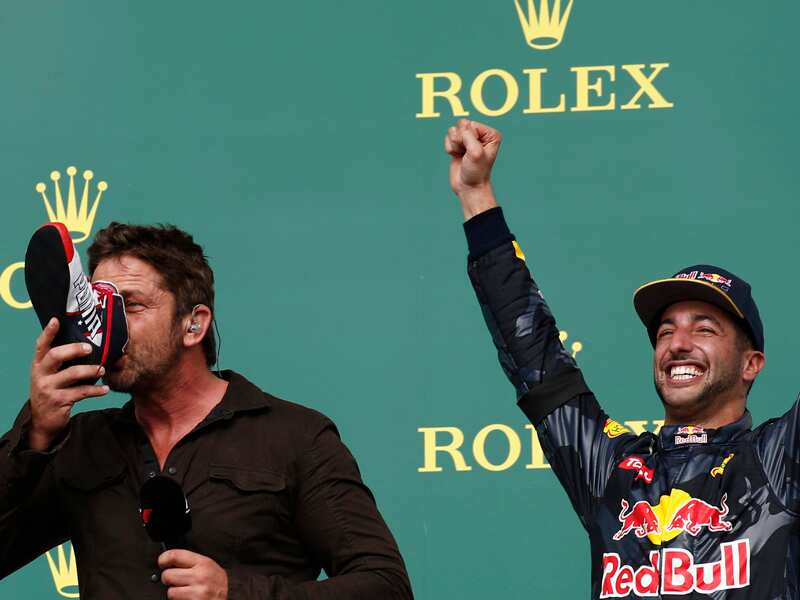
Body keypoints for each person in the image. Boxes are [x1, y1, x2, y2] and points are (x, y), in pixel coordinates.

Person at [445, 118, 799, 598]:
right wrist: (476, 194)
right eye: (666, 330)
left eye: (705, 328)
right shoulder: (612, 469)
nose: (677, 343)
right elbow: (531, 349)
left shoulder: (776, 460)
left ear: (751, 364)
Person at [0, 223, 412, 599]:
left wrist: (235, 593)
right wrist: (36, 436)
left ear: (193, 325)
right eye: (100, 305)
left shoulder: (295, 438)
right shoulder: (81, 443)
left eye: (131, 305)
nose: (107, 325)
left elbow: (385, 586)